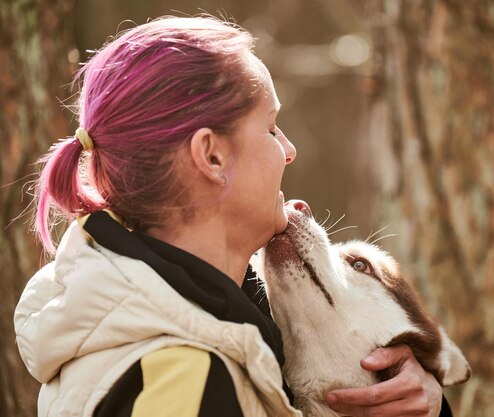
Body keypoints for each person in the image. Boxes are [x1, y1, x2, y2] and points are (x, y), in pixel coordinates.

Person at [14, 16, 451, 417]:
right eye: (271, 127)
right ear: (212, 156)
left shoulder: (217, 320)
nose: (289, 149)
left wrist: (424, 402)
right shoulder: (190, 383)